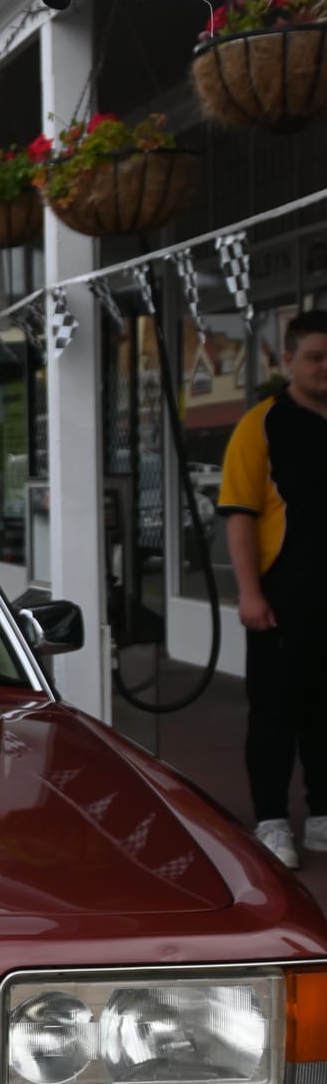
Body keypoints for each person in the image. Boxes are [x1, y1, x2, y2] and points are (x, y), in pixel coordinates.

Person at [218, 309, 327, 870]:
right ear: (288, 360)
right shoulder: (262, 424)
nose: (325, 368)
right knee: (277, 713)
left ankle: (323, 817)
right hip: (283, 597)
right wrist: (250, 593)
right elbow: (239, 513)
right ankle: (272, 820)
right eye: (315, 357)